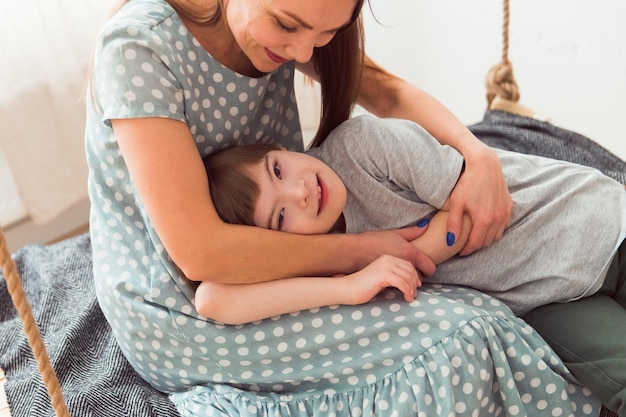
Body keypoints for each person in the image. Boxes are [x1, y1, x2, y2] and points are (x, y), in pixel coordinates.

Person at [85, 0, 600, 415]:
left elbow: (387, 93)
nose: (303, 49)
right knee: (458, 337)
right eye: (288, 26)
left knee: (477, 312)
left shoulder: (300, 18)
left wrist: (477, 154)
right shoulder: (139, 48)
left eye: (326, 34)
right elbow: (201, 257)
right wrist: (355, 254)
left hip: (275, 260)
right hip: (180, 312)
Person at [201, 114, 626, 415]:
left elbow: (465, 210)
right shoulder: (319, 260)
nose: (300, 193)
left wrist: (394, 254)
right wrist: (348, 287)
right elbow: (211, 298)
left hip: (594, 227)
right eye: (280, 217)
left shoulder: (361, 146)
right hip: (551, 300)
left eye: (278, 170)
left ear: (281, 150)